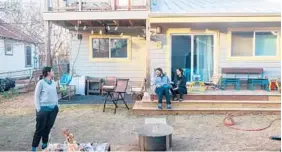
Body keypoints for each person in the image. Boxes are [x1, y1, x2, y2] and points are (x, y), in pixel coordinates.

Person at [32, 67, 59, 151]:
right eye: (52, 71)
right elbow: (36, 96)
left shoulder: (54, 83)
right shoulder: (41, 83)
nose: (53, 72)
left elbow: (55, 95)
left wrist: (57, 106)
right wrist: (38, 109)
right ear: (48, 72)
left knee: (48, 127)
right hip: (43, 109)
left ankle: (44, 144)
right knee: (40, 129)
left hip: (53, 109)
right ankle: (34, 147)